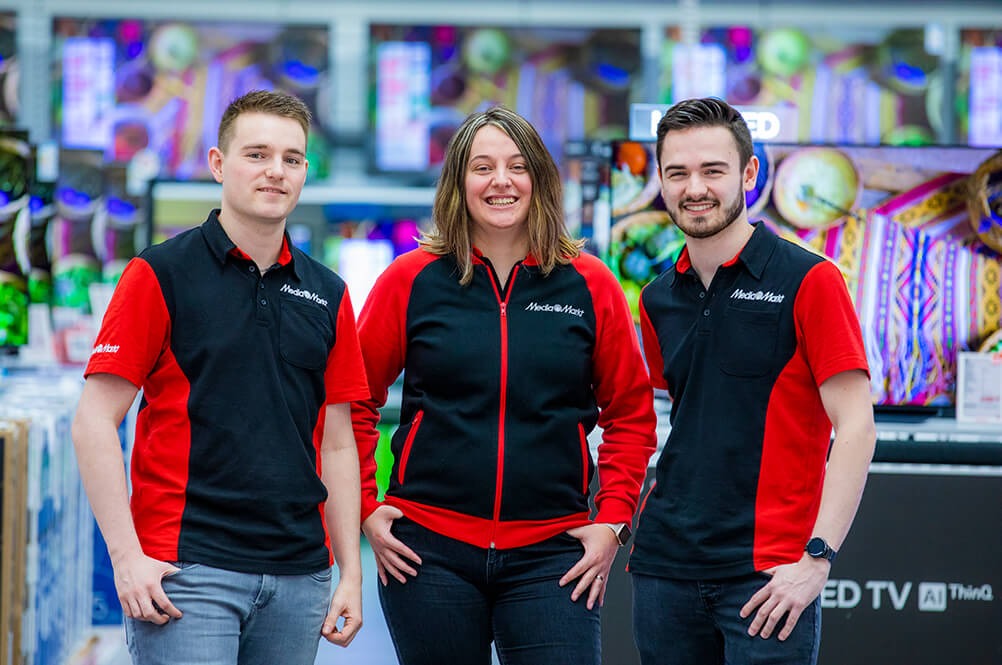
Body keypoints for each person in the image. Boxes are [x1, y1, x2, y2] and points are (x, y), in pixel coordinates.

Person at [71, 89, 368, 665]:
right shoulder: (159, 273)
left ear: (305, 170)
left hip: (299, 576)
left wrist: (350, 573)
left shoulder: (328, 293)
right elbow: (93, 421)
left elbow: (337, 441)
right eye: (256, 154)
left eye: (291, 158)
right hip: (188, 573)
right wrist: (126, 557)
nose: (275, 171)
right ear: (217, 163)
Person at [351, 106, 657, 665]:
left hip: (554, 556)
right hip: (427, 554)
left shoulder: (590, 283)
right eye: (482, 166)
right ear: (457, 182)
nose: (501, 181)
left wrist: (613, 521)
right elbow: (352, 401)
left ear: (539, 179)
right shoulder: (410, 279)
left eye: (517, 166)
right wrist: (365, 506)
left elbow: (632, 414)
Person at [630, 97, 877, 665]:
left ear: (748, 174)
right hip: (664, 571)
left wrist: (817, 558)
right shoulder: (657, 298)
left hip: (768, 578)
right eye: (678, 173)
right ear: (662, 184)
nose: (695, 188)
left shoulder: (810, 280)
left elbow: (857, 427)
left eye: (712, 170)